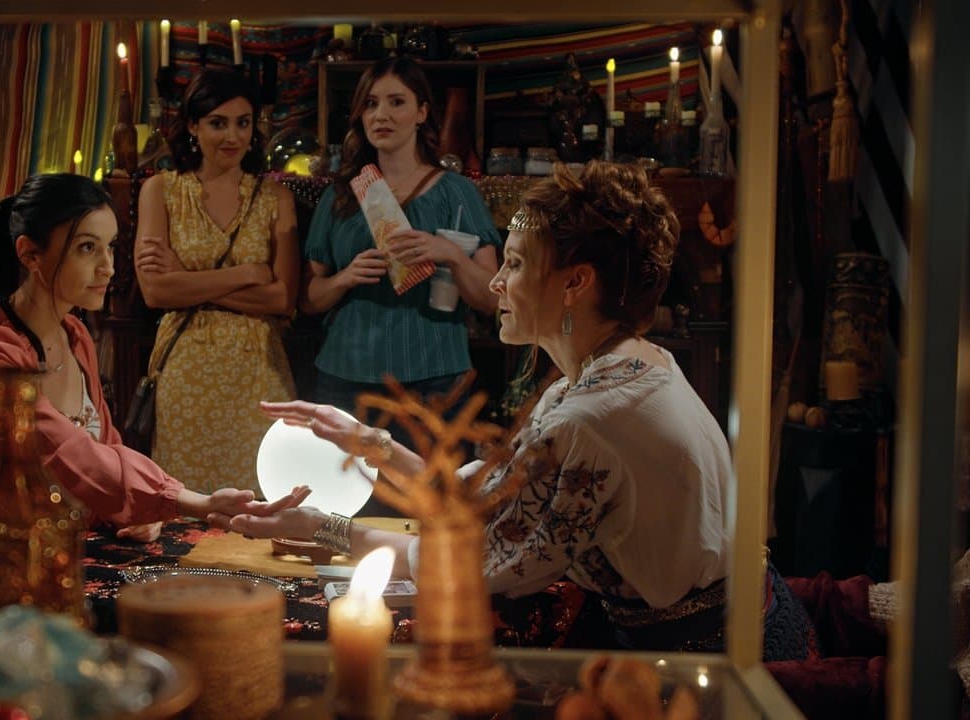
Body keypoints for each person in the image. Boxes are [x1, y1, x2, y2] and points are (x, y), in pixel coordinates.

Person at [222, 161, 816, 660]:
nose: (496, 283)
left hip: (715, 661)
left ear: (575, 283)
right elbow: (488, 495)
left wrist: (323, 528)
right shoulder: (625, 365)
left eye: (515, 264)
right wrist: (371, 443)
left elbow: (462, 561)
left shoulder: (589, 417)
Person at [0, 173, 308, 623]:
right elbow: (67, 453)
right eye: (86, 248)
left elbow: (106, 446)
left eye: (111, 247)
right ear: (30, 254)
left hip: (62, 557)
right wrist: (188, 500)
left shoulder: (75, 335)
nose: (109, 267)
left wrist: (132, 513)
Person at [300, 56, 500, 513]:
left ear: (422, 112)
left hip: (434, 381)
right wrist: (346, 278)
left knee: (433, 511)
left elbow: (491, 299)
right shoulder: (342, 194)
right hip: (347, 380)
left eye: (396, 102)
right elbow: (309, 299)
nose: (381, 115)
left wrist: (449, 253)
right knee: (345, 512)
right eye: (371, 104)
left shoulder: (456, 193)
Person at [134, 67, 298, 495]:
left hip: (257, 370)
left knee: (261, 499)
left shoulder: (275, 197)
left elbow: (282, 298)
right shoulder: (161, 191)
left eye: (243, 123)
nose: (232, 136)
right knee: (187, 503)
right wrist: (246, 274)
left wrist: (187, 280)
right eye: (218, 123)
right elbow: (156, 291)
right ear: (193, 126)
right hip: (186, 370)